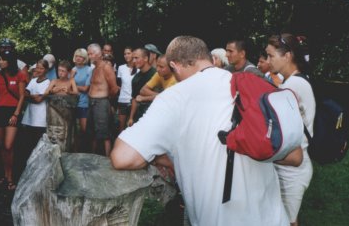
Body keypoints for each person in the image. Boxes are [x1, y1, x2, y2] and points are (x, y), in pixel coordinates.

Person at [111, 36, 290, 226]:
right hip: (273, 216)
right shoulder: (246, 84)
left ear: (174, 65)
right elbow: (291, 152)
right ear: (210, 60)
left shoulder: (174, 97)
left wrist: (158, 156)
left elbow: (123, 157)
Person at [266, 34, 316, 226]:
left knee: (287, 221)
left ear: (287, 56)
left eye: (271, 56)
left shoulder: (293, 85)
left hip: (293, 169)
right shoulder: (294, 81)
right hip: (291, 164)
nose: (268, 60)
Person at [0, 50, 27, 190]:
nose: (0, 62)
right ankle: (5, 176)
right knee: (2, 147)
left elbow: (22, 96)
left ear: (9, 61)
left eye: (3, 59)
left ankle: (10, 178)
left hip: (12, 112)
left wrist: (16, 114)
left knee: (9, 145)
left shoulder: (20, 75)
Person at [87, 43, 119, 156]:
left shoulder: (106, 67)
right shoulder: (95, 68)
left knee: (105, 134)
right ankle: (93, 156)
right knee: (93, 133)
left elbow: (114, 88)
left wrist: (107, 101)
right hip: (91, 102)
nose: (89, 56)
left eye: (91, 54)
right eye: (88, 53)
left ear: (99, 54)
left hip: (101, 103)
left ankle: (107, 159)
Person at [20, 59, 51, 165]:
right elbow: (24, 94)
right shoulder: (33, 81)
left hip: (40, 120)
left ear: (46, 70)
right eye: (37, 67)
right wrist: (33, 96)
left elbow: (39, 100)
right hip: (29, 119)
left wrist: (30, 96)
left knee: (38, 146)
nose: (39, 70)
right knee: (26, 146)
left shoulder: (48, 83)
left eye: (41, 68)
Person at [70, 48, 93, 152]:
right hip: (72, 103)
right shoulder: (72, 70)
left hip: (84, 103)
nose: (78, 58)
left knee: (85, 130)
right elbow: (66, 86)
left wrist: (73, 83)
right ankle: (75, 152)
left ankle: (88, 151)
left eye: (81, 56)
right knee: (74, 130)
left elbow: (85, 88)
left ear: (85, 58)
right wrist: (71, 78)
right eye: (77, 56)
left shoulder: (89, 70)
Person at [127, 48, 156, 126]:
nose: (133, 61)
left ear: (146, 58)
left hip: (154, 115)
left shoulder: (156, 75)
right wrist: (131, 118)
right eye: (133, 58)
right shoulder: (135, 79)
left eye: (136, 58)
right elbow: (134, 99)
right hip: (140, 115)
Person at [116, 47, 137, 133]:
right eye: (125, 54)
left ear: (133, 54)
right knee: (121, 128)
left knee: (132, 127)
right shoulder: (121, 68)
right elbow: (119, 84)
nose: (126, 55)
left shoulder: (139, 69)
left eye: (128, 53)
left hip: (134, 101)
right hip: (123, 100)